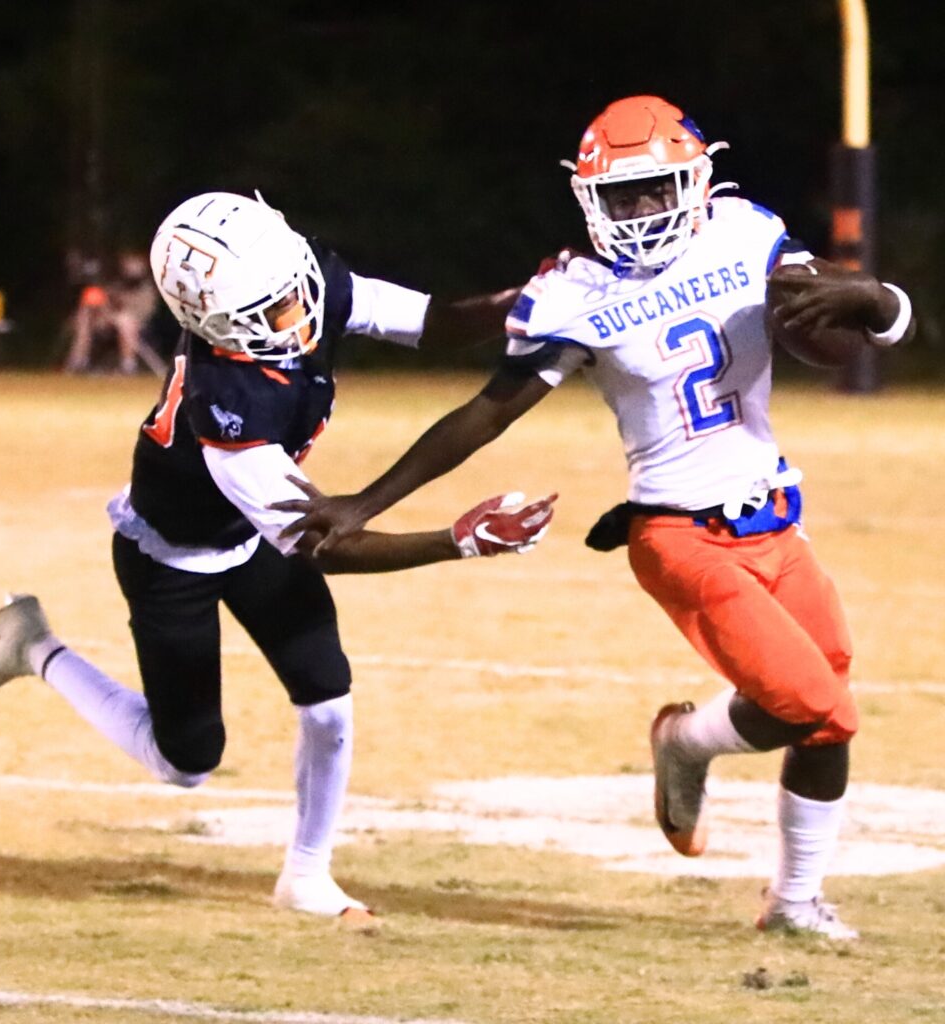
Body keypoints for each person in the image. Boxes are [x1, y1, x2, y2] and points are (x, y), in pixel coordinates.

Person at [271, 96, 917, 939]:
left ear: (694, 180)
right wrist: (364, 501)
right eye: (623, 195)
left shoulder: (744, 231)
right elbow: (487, 411)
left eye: (655, 190)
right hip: (678, 534)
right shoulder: (572, 290)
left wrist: (879, 303)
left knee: (825, 712)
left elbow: (822, 337)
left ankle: (791, 898)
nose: (642, 210)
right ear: (588, 197)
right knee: (814, 704)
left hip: (775, 518)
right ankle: (690, 743)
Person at [0, 190, 556, 923]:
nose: (299, 314)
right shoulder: (228, 397)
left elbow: (430, 323)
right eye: (273, 312)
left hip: (251, 534)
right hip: (175, 557)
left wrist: (517, 304)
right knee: (186, 763)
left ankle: (307, 875)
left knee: (328, 700)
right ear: (213, 322)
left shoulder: (301, 283)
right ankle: (32, 646)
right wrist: (457, 540)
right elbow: (323, 545)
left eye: (294, 291)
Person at [64, 249, 167, 375]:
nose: (131, 266)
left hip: (134, 324)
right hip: (107, 321)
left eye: (134, 263)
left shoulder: (147, 290)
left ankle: (128, 365)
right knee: (84, 318)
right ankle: (78, 362)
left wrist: (114, 309)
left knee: (125, 321)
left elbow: (142, 313)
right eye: (128, 262)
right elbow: (105, 303)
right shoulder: (116, 285)